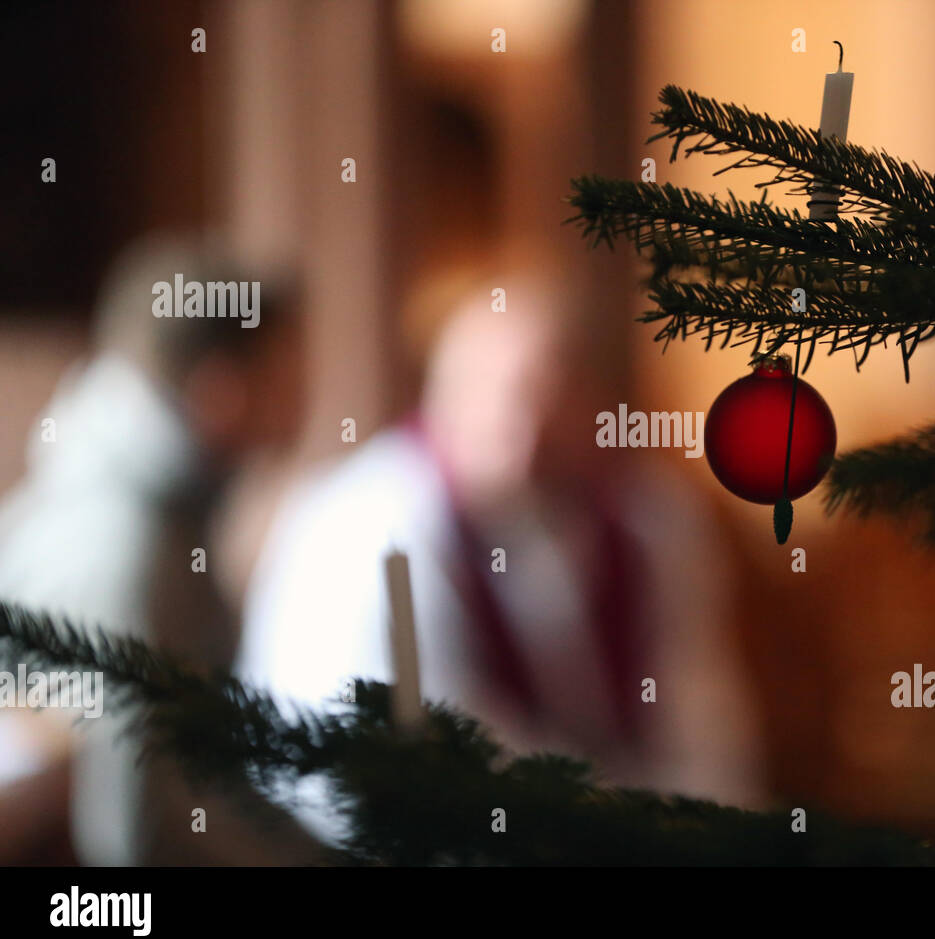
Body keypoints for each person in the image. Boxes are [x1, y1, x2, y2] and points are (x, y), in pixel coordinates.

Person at [237, 275, 764, 847]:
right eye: (500, 393)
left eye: (552, 395)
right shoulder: (372, 525)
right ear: (445, 394)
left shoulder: (644, 519)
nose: (527, 428)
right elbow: (421, 750)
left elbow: (701, 715)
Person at [0, 233, 321, 865]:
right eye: (288, 374)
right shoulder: (125, 542)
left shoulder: (150, 508)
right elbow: (142, 835)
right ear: (220, 389)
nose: (305, 400)